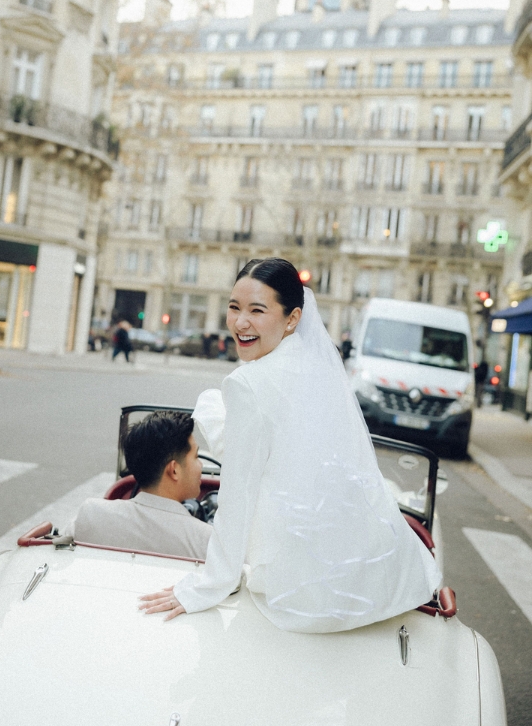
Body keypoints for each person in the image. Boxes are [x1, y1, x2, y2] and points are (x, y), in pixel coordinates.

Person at [139, 258, 441, 633]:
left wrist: (210, 584)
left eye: (257, 310)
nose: (240, 323)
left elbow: (238, 492)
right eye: (234, 308)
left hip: (296, 586)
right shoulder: (316, 366)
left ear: (293, 319)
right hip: (369, 574)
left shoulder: (246, 385)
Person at [68, 411, 211, 559]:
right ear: (174, 470)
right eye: (196, 457)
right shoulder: (206, 541)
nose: (200, 465)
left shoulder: (91, 514)